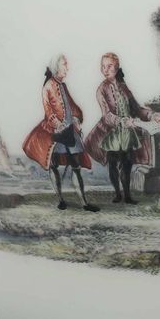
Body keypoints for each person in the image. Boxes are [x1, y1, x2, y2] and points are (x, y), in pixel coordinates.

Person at [84, 52, 160, 204]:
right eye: (103, 66)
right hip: (112, 134)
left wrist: (152, 115)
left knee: (127, 164)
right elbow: (106, 116)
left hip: (128, 134)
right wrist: (121, 120)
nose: (105, 70)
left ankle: (127, 195)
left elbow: (136, 108)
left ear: (117, 67)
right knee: (113, 165)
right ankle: (117, 194)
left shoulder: (123, 87)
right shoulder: (101, 89)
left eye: (109, 66)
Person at [22, 54, 98, 211]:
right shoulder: (47, 86)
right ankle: (61, 200)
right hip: (55, 133)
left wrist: (76, 119)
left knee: (76, 166)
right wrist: (58, 124)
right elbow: (48, 111)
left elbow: (72, 106)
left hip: (70, 131)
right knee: (54, 166)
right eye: (65, 64)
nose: (67, 68)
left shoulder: (63, 86)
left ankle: (84, 203)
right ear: (56, 67)